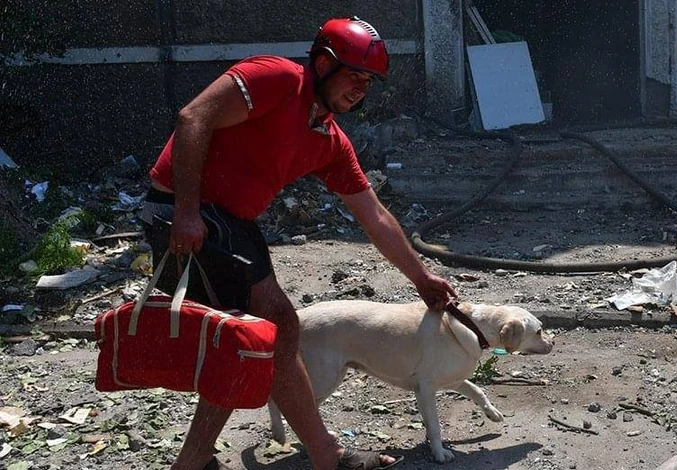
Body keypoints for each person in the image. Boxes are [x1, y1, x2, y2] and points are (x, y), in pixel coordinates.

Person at [139, 16, 457, 470]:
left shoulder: (328, 139)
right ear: (324, 63)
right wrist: (187, 211)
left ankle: (290, 454)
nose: (360, 89)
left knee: (261, 334)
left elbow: (375, 216)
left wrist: (421, 277)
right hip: (185, 210)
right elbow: (195, 116)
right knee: (263, 330)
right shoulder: (279, 78)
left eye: (368, 82)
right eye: (353, 75)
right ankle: (299, 456)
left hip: (230, 225)